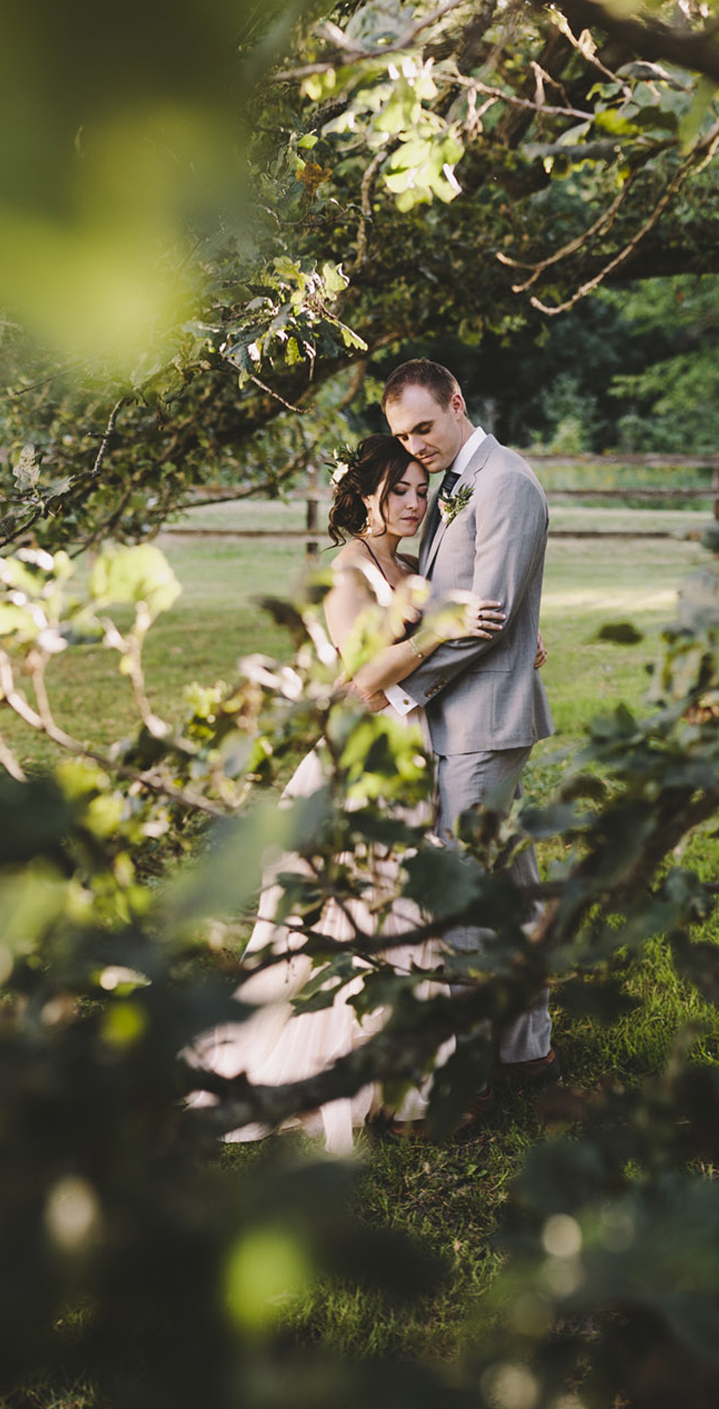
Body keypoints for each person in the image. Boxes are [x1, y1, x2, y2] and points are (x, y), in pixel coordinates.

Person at [187, 434, 504, 1152]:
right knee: (373, 907)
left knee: (403, 905)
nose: (415, 503)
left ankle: (403, 1076)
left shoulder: (409, 563)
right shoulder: (349, 573)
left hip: (411, 750)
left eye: (422, 490)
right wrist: (439, 632)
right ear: (364, 496)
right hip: (363, 760)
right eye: (400, 491)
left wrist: (502, 641)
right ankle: (387, 1088)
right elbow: (361, 684)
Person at [379, 357, 557, 1085]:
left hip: (482, 719)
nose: (415, 444)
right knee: (510, 893)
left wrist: (396, 690)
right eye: (403, 434)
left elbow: (486, 617)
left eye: (424, 426)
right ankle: (527, 1052)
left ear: (457, 403)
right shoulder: (457, 483)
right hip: (470, 716)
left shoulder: (504, 481)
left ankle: (469, 1070)